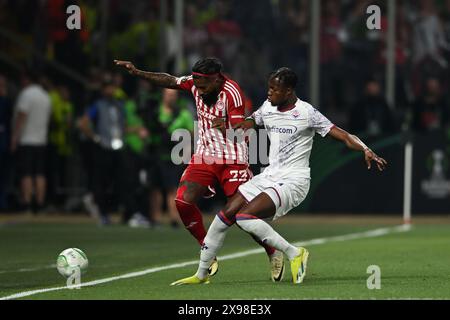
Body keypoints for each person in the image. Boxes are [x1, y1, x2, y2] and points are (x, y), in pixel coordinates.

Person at [171, 67, 387, 285]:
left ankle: (294, 253)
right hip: (269, 176)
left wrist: (365, 149)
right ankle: (201, 275)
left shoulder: (306, 113)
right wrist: (227, 125)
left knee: (245, 218)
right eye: (269, 88)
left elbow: (344, 135)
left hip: (294, 181)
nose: (269, 93)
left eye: (274, 89)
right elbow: (248, 123)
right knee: (223, 218)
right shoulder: (267, 108)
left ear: (289, 91)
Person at [114, 57, 283, 281]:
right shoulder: (196, 83)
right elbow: (170, 80)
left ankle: (273, 251)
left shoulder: (232, 93)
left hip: (233, 158)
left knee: (244, 216)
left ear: (216, 79)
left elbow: (241, 128)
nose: (199, 90)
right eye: (196, 84)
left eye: (203, 86)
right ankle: (207, 248)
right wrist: (137, 72)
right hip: (205, 156)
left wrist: (226, 126)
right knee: (183, 201)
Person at [10, 71, 52, 214]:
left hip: (27, 139)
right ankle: (40, 203)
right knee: (40, 173)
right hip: (41, 140)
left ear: (26, 79)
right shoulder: (45, 96)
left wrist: (14, 137)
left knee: (26, 173)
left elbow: (22, 116)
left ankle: (27, 203)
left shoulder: (26, 94)